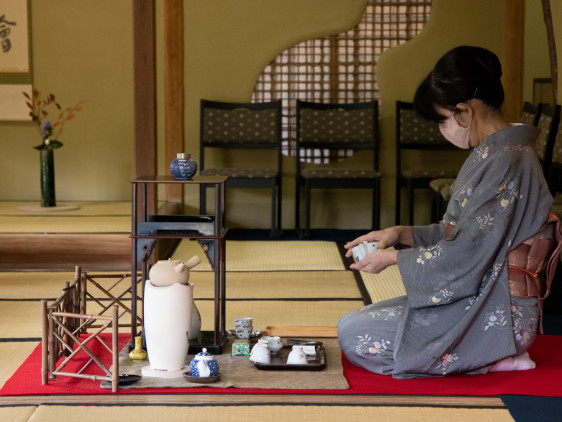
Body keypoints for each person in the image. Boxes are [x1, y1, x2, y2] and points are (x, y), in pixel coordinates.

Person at [337, 45, 557, 378]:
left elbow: (467, 252)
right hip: (481, 292)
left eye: (443, 120)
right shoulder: (496, 153)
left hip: (500, 310)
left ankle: (491, 356)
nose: (443, 129)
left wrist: (396, 259)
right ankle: (488, 355)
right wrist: (400, 234)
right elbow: (462, 235)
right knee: (355, 322)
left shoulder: (507, 161)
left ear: (466, 111)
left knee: (356, 336)